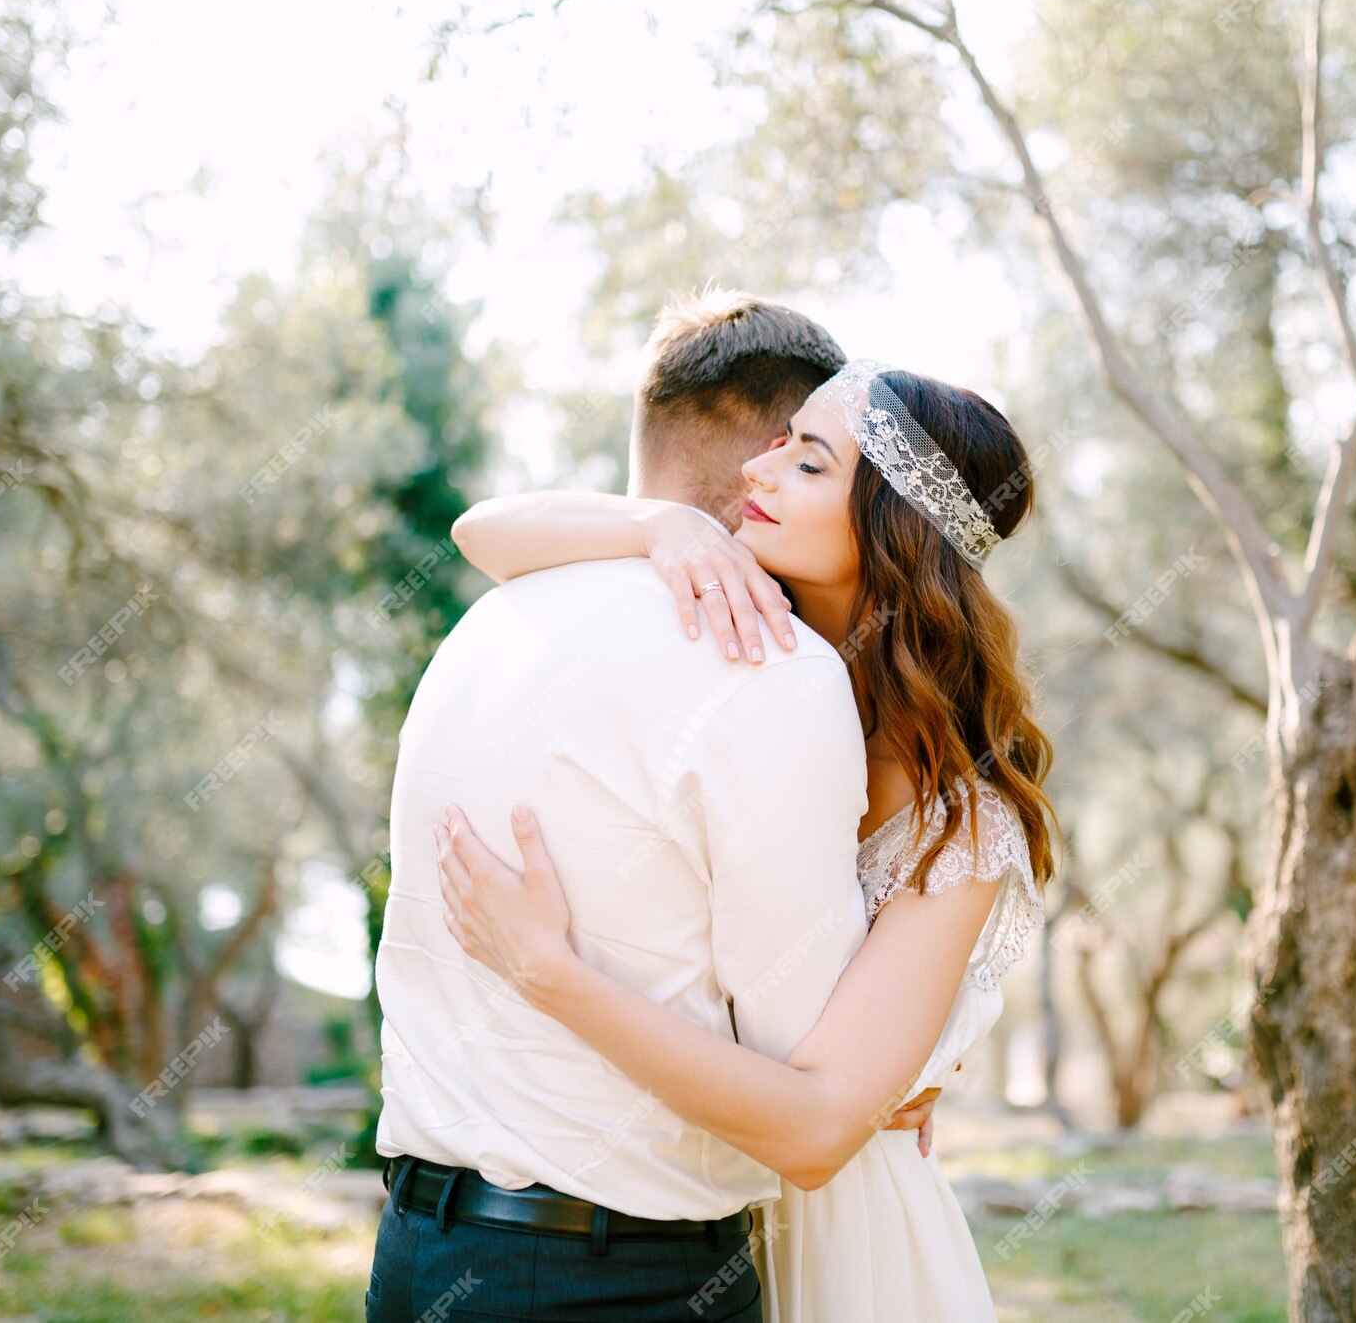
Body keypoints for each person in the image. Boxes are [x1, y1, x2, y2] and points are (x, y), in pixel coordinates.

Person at [437, 355, 1056, 1320]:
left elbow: (815, 1131)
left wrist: (549, 971)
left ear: (896, 531)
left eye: (810, 465)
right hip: (710, 1219)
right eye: (779, 445)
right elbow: (480, 531)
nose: (757, 475)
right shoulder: (758, 675)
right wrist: (661, 523)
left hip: (849, 1249)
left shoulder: (959, 821)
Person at [368, 291, 933, 1323]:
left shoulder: (488, 622)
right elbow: (800, 1066)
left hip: (416, 1254)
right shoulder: (766, 666)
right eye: (800, 449)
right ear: (773, 447)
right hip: (615, 1281)